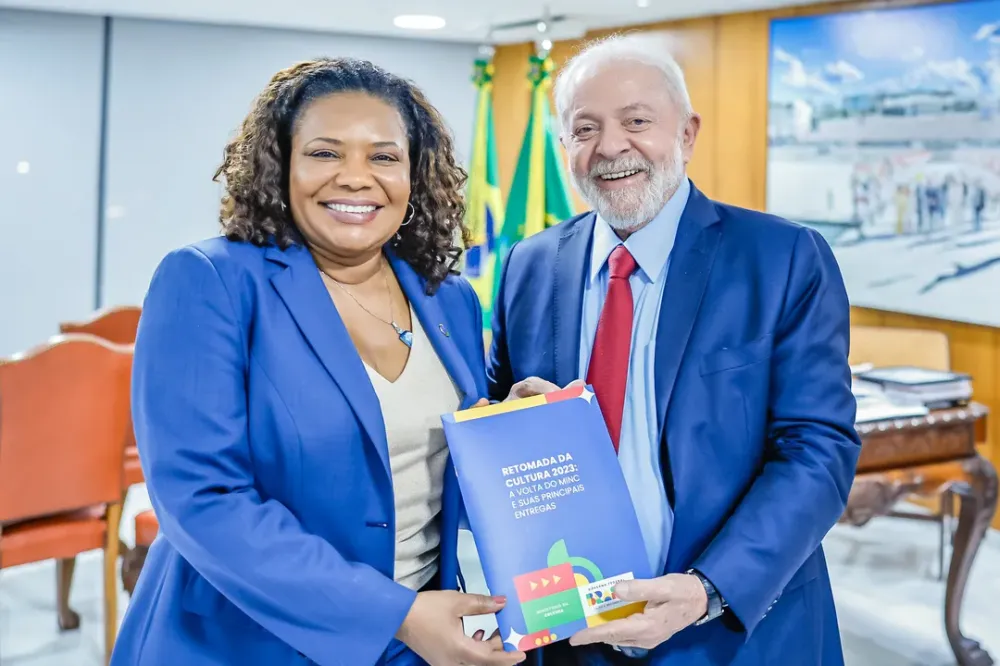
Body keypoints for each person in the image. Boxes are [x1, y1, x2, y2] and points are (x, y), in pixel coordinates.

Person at [110, 58, 526, 666]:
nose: (356, 178)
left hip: (421, 642)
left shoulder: (450, 297)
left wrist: (511, 427)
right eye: (325, 153)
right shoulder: (210, 282)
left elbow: (426, 453)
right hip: (246, 642)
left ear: (415, 174)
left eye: (383, 157)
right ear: (281, 167)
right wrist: (394, 615)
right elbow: (203, 499)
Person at [488, 34, 861, 666]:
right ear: (564, 149)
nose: (610, 147)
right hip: (569, 633)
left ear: (687, 134)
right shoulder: (529, 265)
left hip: (731, 629)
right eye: (584, 128)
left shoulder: (784, 259)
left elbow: (818, 450)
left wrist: (706, 590)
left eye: (637, 121)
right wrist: (505, 416)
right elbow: (495, 418)